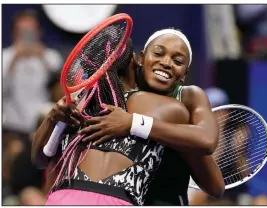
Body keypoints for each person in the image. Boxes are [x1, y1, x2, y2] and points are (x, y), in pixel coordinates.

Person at [79, 28, 224, 205]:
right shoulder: (118, 91)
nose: (166, 62)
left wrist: (134, 123)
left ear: (185, 74)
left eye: (178, 61)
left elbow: (208, 143)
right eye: (158, 53)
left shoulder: (189, 97)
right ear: (140, 58)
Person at [3, 10, 63, 134]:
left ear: (38, 32)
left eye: (30, 31)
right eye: (23, 32)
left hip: (44, 126)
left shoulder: (51, 56)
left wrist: (44, 60)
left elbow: (59, 92)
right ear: (14, 33)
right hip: (13, 127)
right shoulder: (4, 57)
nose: (27, 36)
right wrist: (14, 61)